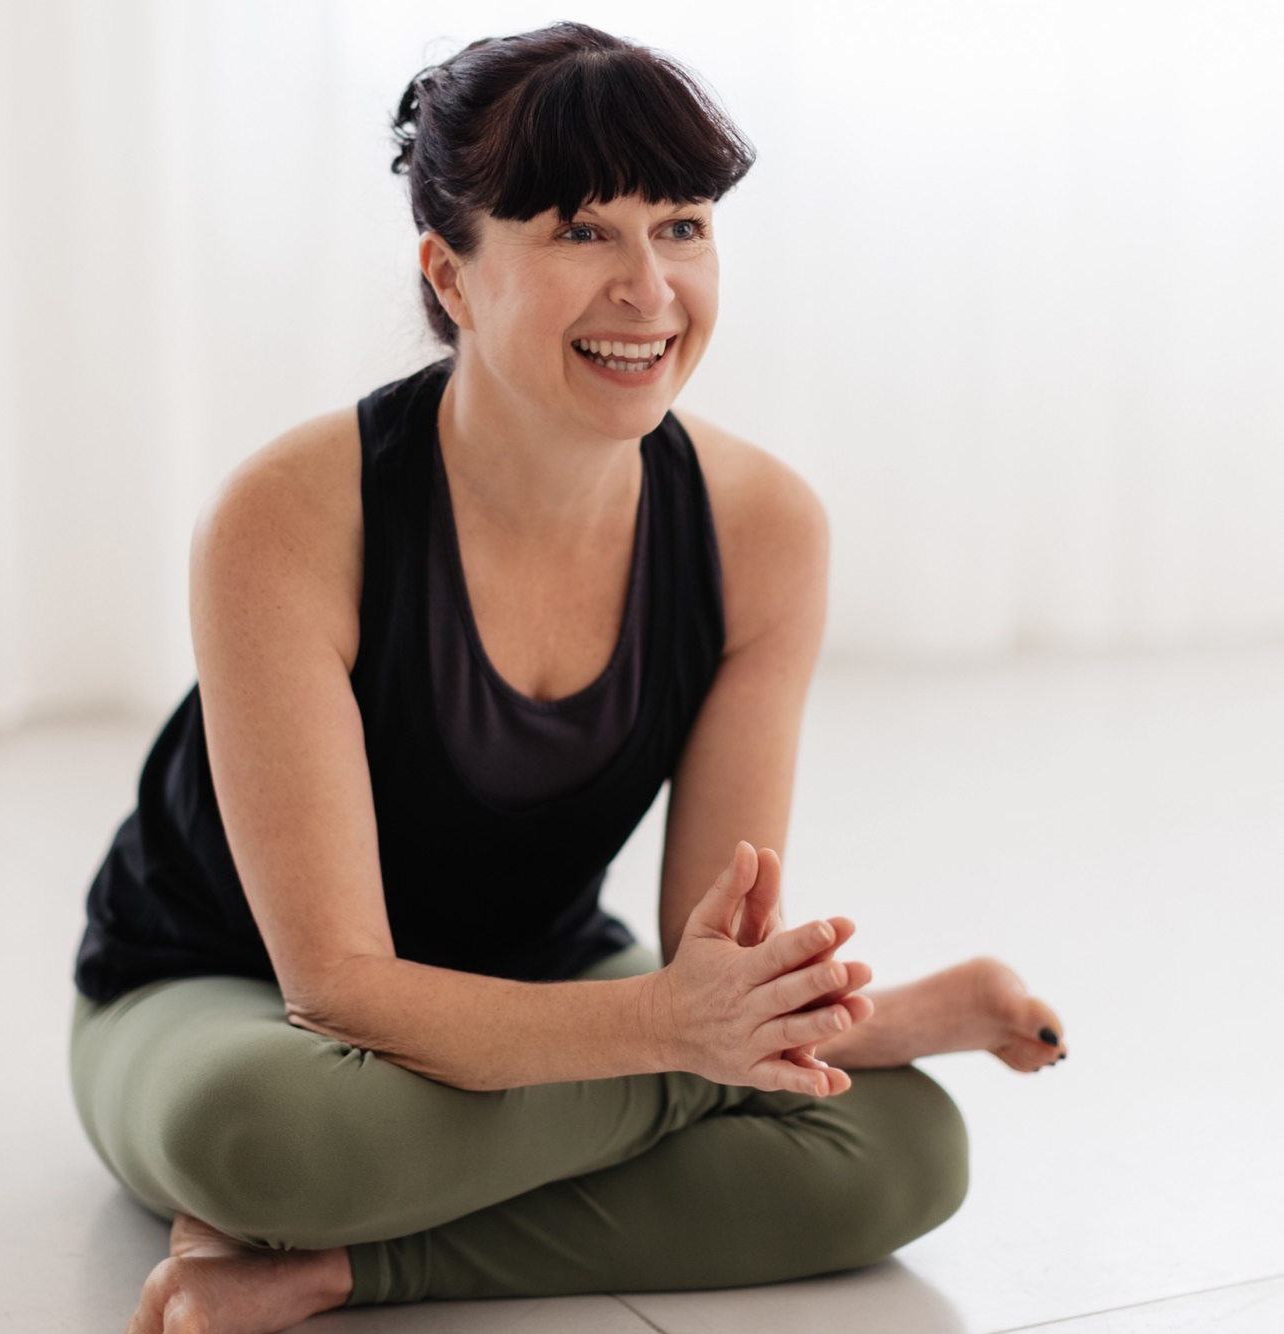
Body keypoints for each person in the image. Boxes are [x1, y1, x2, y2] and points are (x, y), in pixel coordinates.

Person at [69, 22, 1066, 1334]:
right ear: (452, 275)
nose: (649, 290)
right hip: (233, 990)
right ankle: (857, 1026)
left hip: (544, 981)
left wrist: (702, 1016)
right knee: (274, 1139)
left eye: (682, 226)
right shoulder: (289, 514)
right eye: (581, 231)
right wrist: (702, 1036)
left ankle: (323, 1266)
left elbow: (715, 950)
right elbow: (340, 986)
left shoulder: (762, 528)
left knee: (901, 1151)